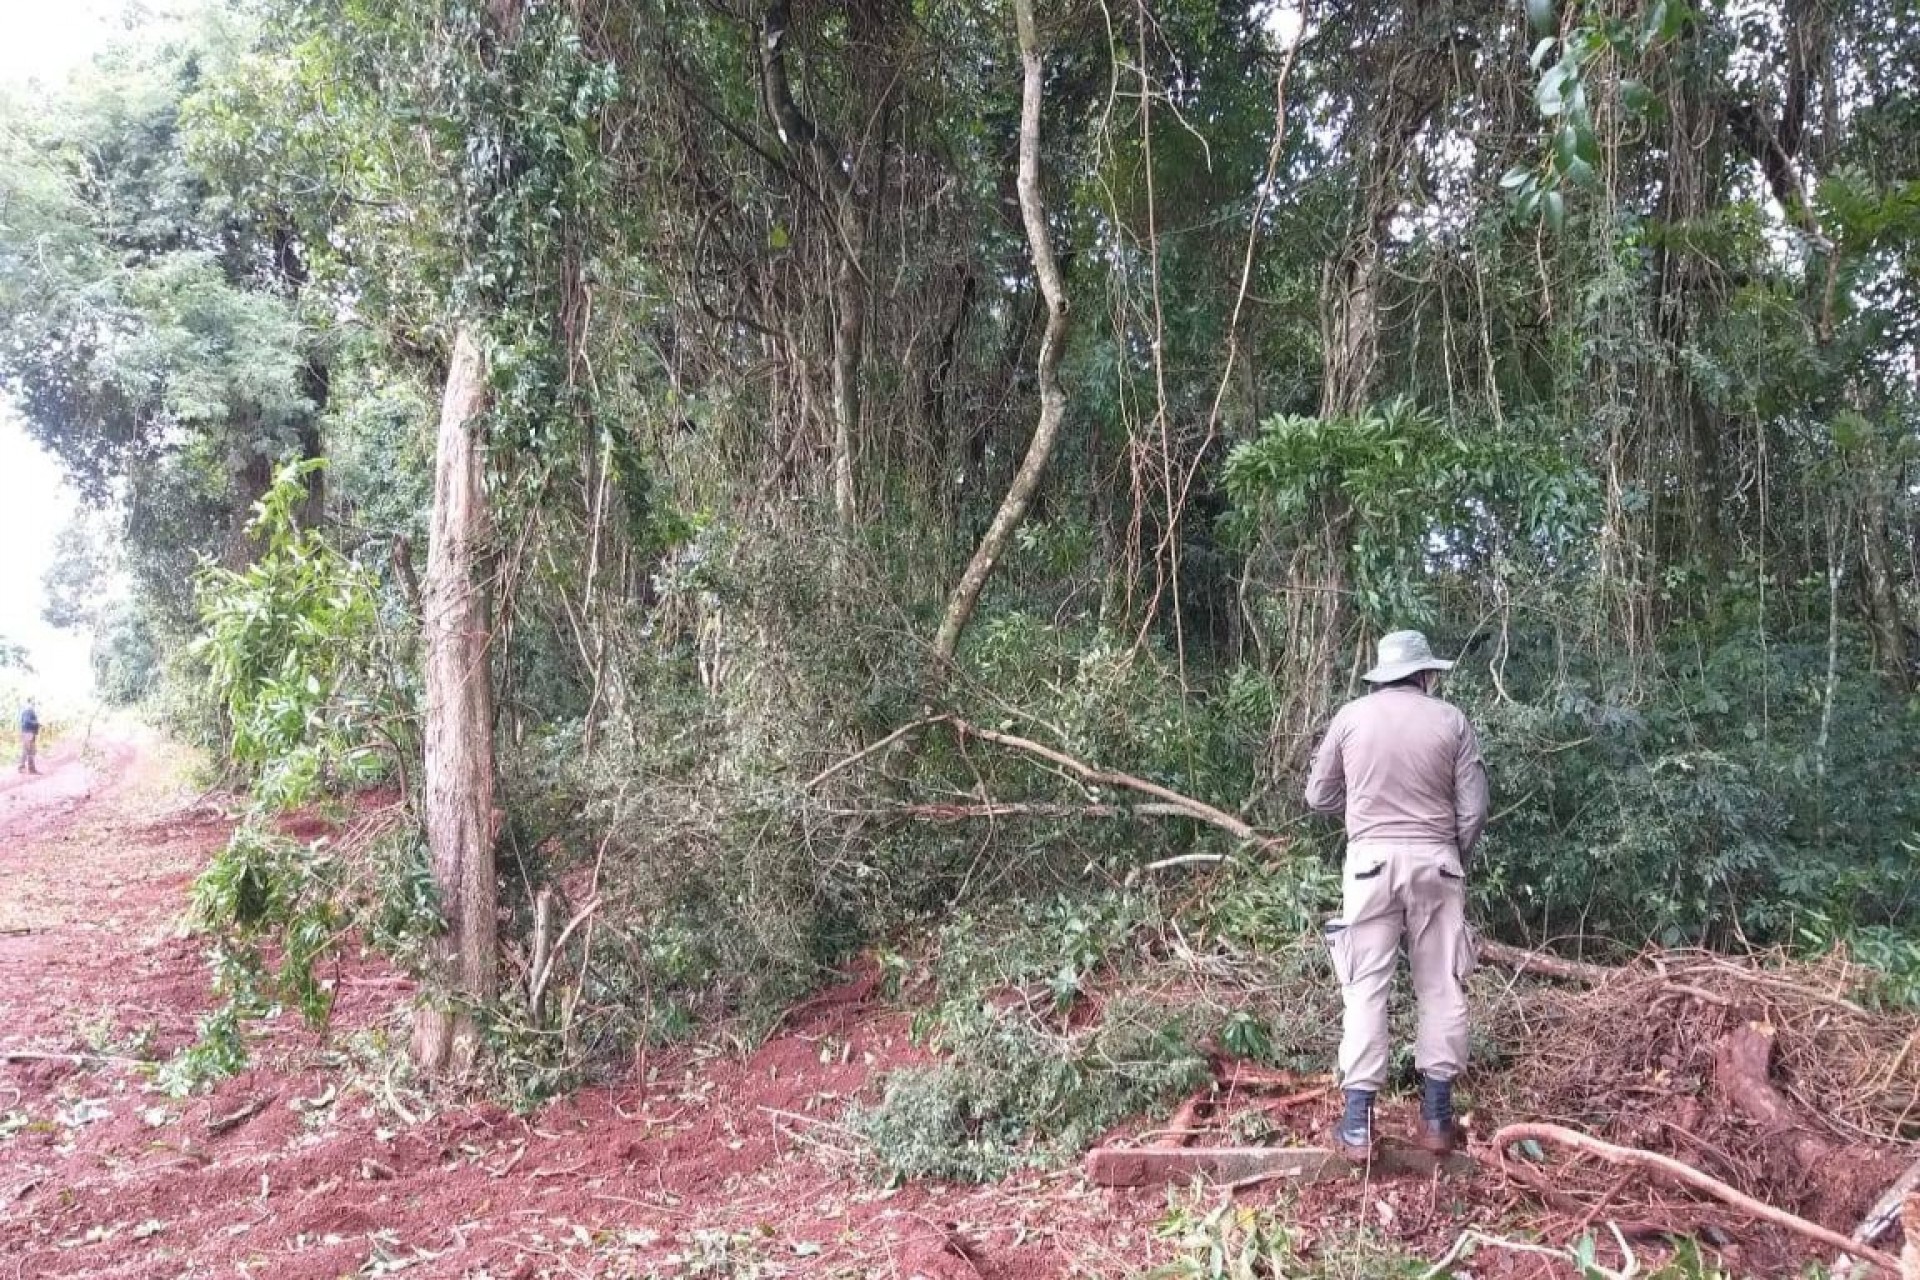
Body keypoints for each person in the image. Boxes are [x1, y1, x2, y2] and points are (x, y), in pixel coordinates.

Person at [1304, 629, 1488, 1160]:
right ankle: (1435, 1119)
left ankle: (1358, 1126)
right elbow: (1473, 809)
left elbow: (1317, 794)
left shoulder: (1350, 717)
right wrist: (1453, 856)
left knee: (1365, 987)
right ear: (1426, 674)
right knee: (1441, 985)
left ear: (1381, 676)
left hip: (1369, 866)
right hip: (1437, 861)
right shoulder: (1452, 720)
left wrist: (1361, 810)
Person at [18, 699, 39, 774]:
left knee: (31, 751)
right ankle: (22, 767)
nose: (34, 705)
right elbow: (27, 721)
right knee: (27, 751)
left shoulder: (26, 711)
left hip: (29, 733)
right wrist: (37, 723)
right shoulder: (28, 711)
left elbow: (24, 721)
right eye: (33, 704)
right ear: (29, 704)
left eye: (34, 704)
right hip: (28, 733)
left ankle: (31, 769)